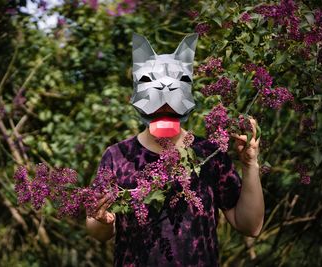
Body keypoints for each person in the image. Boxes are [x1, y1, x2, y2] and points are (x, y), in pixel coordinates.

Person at [86, 33, 264, 267]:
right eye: (150, 79)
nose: (165, 88)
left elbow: (250, 225)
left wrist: (250, 165)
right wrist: (103, 220)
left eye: (178, 80)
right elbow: (97, 230)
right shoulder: (118, 156)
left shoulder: (209, 154)